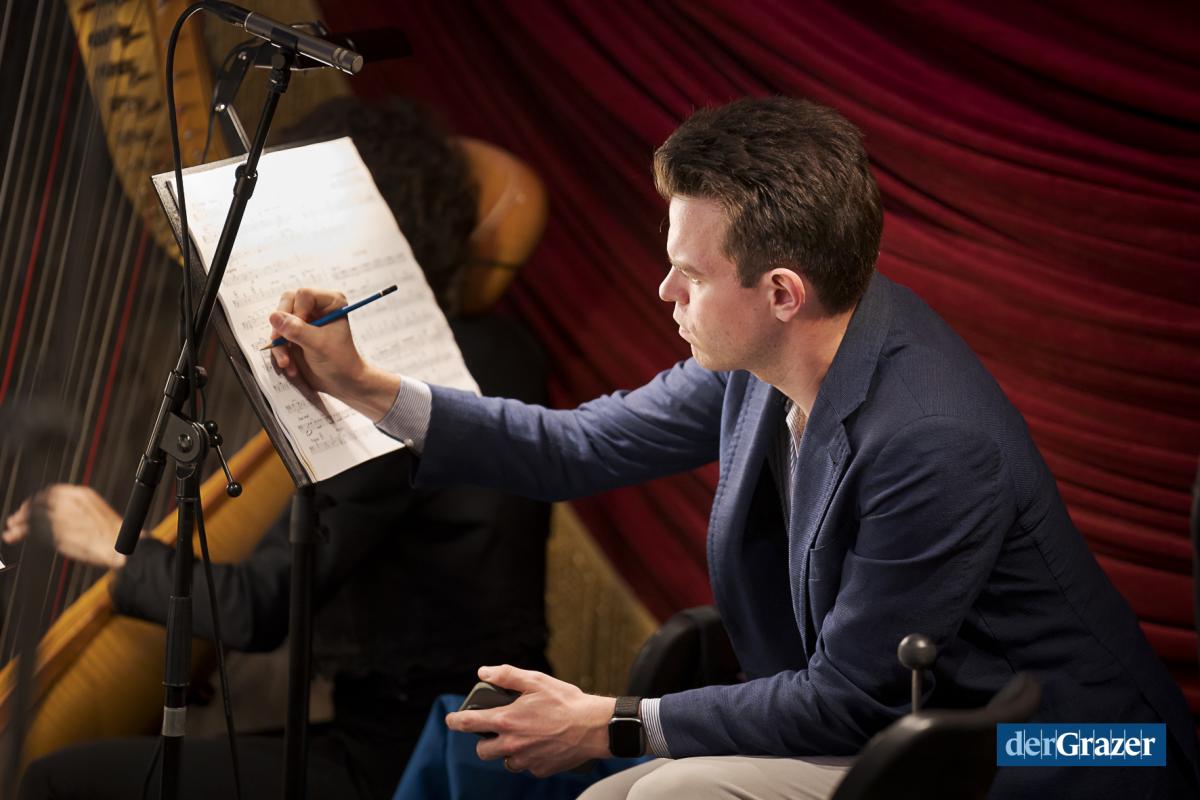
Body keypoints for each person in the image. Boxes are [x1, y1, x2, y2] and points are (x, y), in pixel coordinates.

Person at [264, 96, 1200, 800]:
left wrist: (608, 722)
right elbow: (574, 448)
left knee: (660, 794)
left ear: (782, 291)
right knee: (620, 795)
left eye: (690, 272)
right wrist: (362, 384)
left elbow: (848, 700)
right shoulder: (769, 352)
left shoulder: (933, 442)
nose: (664, 291)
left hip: (1066, 747)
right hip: (919, 716)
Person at [2, 97, 552, 799]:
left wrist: (114, 542)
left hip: (413, 762)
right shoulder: (505, 354)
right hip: (474, 732)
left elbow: (255, 609)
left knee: (57, 781)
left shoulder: (395, 396)